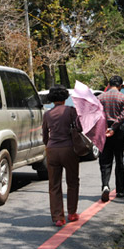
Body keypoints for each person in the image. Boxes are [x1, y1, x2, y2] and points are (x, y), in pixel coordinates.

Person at [42, 85, 80, 227]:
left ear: (52, 99)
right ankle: (72, 213)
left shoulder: (47, 114)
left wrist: (48, 146)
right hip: (69, 149)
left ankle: (58, 217)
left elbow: (45, 135)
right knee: (72, 181)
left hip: (52, 150)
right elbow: (80, 128)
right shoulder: (71, 111)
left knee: (54, 185)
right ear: (65, 97)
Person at [98, 75, 124, 202]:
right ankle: (120, 190)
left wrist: (106, 128)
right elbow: (123, 116)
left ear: (108, 84)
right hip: (118, 132)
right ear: (120, 86)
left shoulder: (100, 97)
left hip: (103, 131)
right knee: (119, 160)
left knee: (105, 160)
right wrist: (113, 128)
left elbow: (96, 114)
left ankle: (105, 185)